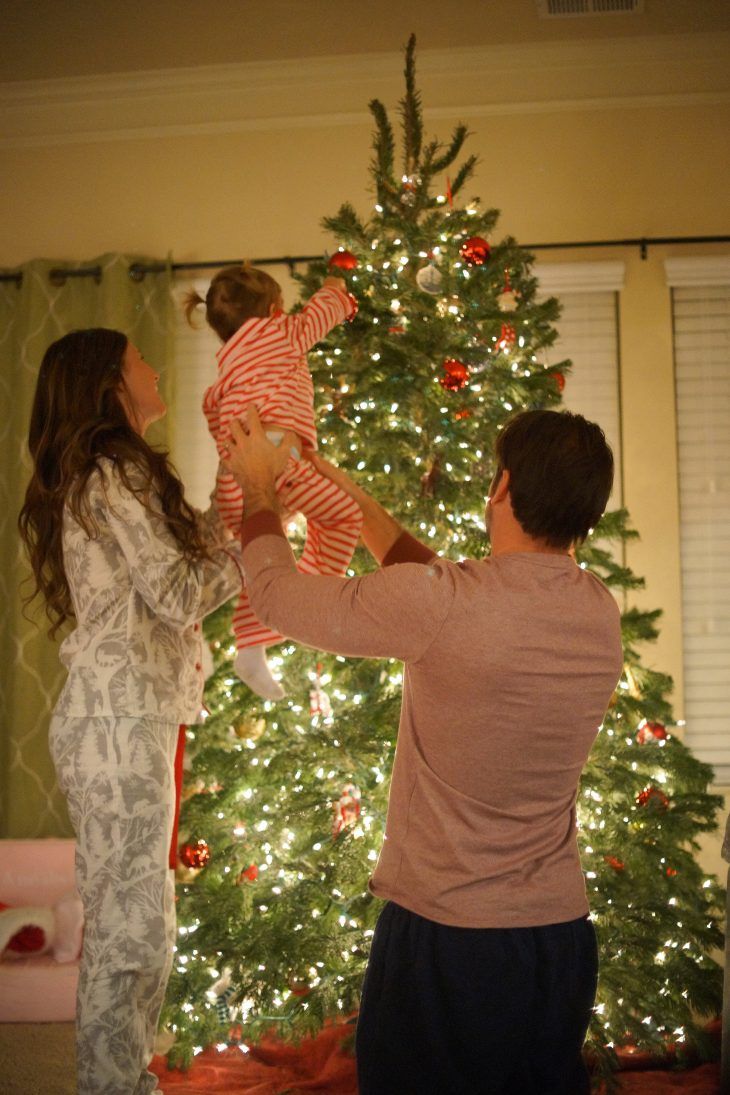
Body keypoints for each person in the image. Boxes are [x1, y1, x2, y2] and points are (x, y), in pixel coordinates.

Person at [223, 405, 624, 1095]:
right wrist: (346, 492)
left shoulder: (444, 605)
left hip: (451, 941)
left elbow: (279, 598)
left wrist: (259, 489)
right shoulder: (597, 610)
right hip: (559, 941)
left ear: (500, 487)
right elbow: (450, 590)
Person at [18, 328, 244, 1095]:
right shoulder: (112, 470)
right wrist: (262, 538)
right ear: (114, 381)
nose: (153, 367)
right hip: (115, 725)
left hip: (131, 720)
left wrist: (237, 499)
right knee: (129, 931)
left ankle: (121, 1083)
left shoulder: (117, 473)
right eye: (141, 358)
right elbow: (181, 594)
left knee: (141, 925)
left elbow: (177, 573)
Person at [184, 263, 362, 700]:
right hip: (278, 460)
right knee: (343, 516)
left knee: (260, 556)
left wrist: (234, 471)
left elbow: (213, 415)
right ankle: (311, 603)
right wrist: (337, 287)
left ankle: (251, 646)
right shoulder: (280, 333)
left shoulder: (226, 368)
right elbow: (324, 311)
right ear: (274, 309)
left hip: (236, 477)